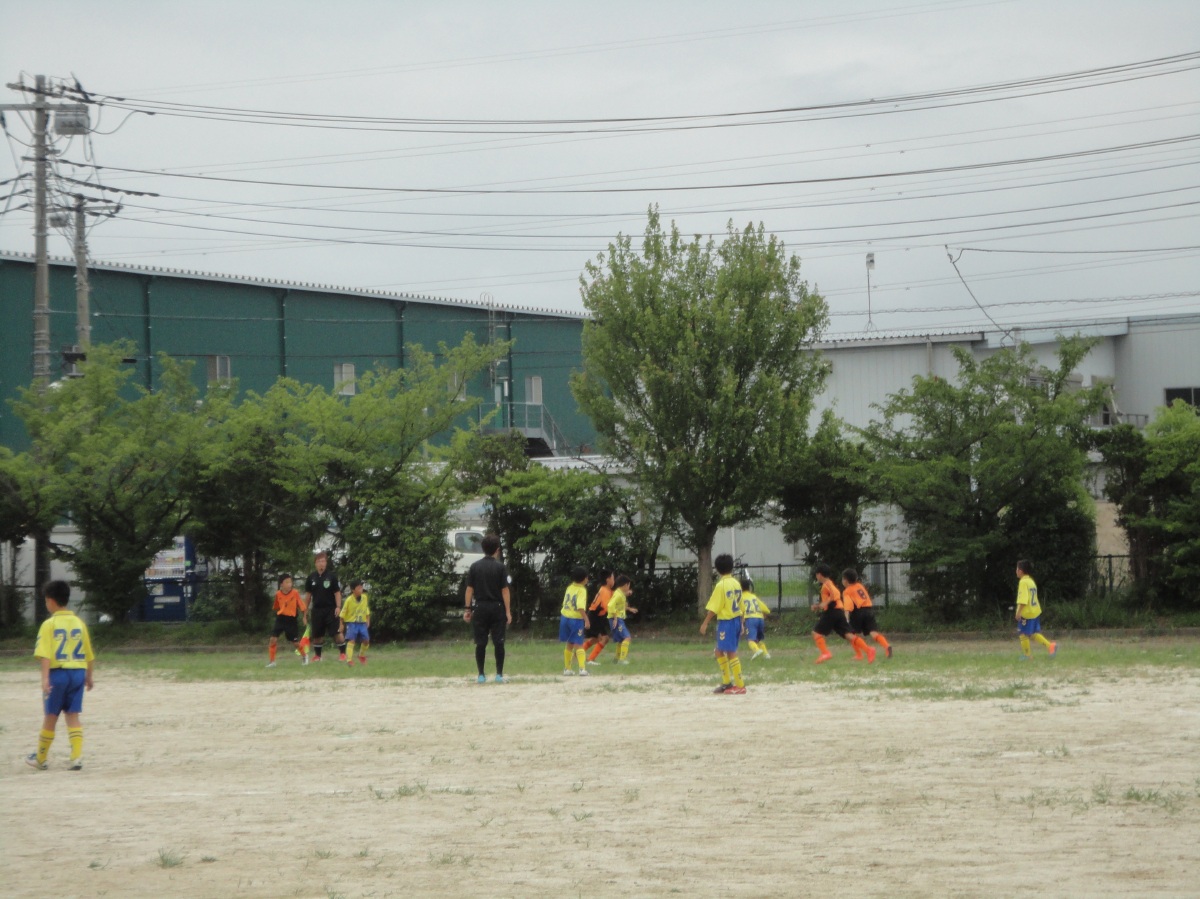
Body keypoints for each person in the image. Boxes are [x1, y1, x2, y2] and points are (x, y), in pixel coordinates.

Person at [26, 580, 94, 771]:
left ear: (50, 601)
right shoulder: (79, 623)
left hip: (58, 674)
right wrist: (89, 677)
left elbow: (45, 655)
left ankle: (40, 758)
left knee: (51, 716)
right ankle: (76, 757)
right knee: (73, 715)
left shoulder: (49, 624)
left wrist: (45, 678)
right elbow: (89, 655)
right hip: (78, 673)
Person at [464, 533, 512, 683]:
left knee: (480, 643)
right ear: (497, 550)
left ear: (483, 548)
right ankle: (499, 674)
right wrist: (508, 612)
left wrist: (467, 609)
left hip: (480, 607)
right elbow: (505, 591)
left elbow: (469, 590)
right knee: (499, 642)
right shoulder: (500, 567)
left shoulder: (475, 566)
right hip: (497, 607)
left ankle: (481, 675)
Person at [700, 554, 747, 694]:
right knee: (719, 651)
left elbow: (714, 607)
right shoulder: (736, 583)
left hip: (727, 622)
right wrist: (742, 622)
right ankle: (727, 683)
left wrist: (705, 623)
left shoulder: (721, 585)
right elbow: (741, 605)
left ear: (717, 569)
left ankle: (740, 685)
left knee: (730, 652)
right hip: (736, 620)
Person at [811, 564, 875, 664]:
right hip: (838, 612)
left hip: (832, 612)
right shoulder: (828, 583)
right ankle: (868, 650)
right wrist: (821, 605)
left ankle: (825, 653)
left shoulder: (827, 584)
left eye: (816, 574)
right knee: (849, 635)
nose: (816, 576)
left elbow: (835, 594)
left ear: (819, 575)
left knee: (816, 632)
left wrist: (822, 605)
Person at [842, 569, 892, 659]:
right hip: (869, 610)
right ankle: (887, 646)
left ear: (845, 580)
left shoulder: (847, 591)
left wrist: (846, 619)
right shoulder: (860, 586)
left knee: (850, 634)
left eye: (842, 579)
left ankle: (860, 654)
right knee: (873, 632)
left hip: (858, 612)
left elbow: (848, 607)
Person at [303, 550, 343, 662]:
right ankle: (318, 656)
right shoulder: (311, 577)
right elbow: (308, 596)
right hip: (317, 610)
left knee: (336, 632)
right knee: (317, 634)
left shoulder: (332, 576)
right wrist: (305, 611)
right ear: (315, 563)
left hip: (330, 609)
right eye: (319, 561)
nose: (321, 563)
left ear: (326, 563)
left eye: (323, 561)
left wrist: (338, 607)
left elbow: (337, 593)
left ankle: (343, 653)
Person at [1015, 559, 1057, 659]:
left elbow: (1023, 600)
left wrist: (1018, 612)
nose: (1016, 571)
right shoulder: (1031, 581)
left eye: (1016, 569)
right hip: (1035, 611)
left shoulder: (1023, 582)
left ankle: (1027, 655)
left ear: (1020, 571)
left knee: (1022, 633)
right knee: (1033, 633)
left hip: (1027, 613)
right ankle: (1051, 646)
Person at [268, 574, 309, 667]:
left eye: (290, 582)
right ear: (281, 584)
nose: (289, 584)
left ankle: (304, 656)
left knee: (295, 643)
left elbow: (303, 607)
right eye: (287, 582)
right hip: (280, 618)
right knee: (273, 639)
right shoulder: (278, 594)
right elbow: (276, 606)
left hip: (291, 620)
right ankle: (272, 661)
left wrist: (304, 617)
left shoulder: (295, 593)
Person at [559, 566, 591, 676]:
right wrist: (586, 619)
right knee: (578, 643)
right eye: (587, 577)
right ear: (584, 579)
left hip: (565, 617)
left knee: (570, 643)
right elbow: (580, 607)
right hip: (575, 619)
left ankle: (567, 669)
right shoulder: (582, 590)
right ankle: (582, 669)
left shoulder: (570, 587)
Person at [583, 569, 614, 664]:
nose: (614, 580)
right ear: (608, 579)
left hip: (598, 617)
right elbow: (607, 607)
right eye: (613, 578)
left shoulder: (607, 590)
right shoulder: (604, 591)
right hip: (594, 616)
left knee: (602, 639)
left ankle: (582, 656)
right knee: (601, 639)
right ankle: (588, 658)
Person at [340, 579, 371, 667]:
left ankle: (361, 655)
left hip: (362, 622)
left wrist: (368, 619)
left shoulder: (364, 597)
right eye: (358, 588)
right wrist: (341, 624)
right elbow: (343, 613)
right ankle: (349, 660)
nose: (361, 589)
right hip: (352, 623)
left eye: (361, 587)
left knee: (366, 640)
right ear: (353, 590)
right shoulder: (349, 600)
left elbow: (366, 609)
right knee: (351, 640)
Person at [606, 574, 637, 664]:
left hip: (616, 619)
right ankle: (622, 660)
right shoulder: (618, 595)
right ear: (625, 585)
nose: (629, 588)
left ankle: (616, 659)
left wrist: (629, 609)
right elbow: (610, 605)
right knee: (627, 638)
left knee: (621, 640)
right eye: (629, 585)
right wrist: (615, 618)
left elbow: (619, 606)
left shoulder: (620, 593)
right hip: (617, 619)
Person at [740, 577, 772, 660]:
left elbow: (740, 610)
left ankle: (756, 650)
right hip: (760, 618)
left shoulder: (740, 598)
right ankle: (766, 654)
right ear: (749, 588)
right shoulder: (753, 597)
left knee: (750, 639)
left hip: (750, 619)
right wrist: (763, 615)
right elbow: (766, 610)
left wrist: (741, 621)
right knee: (758, 639)